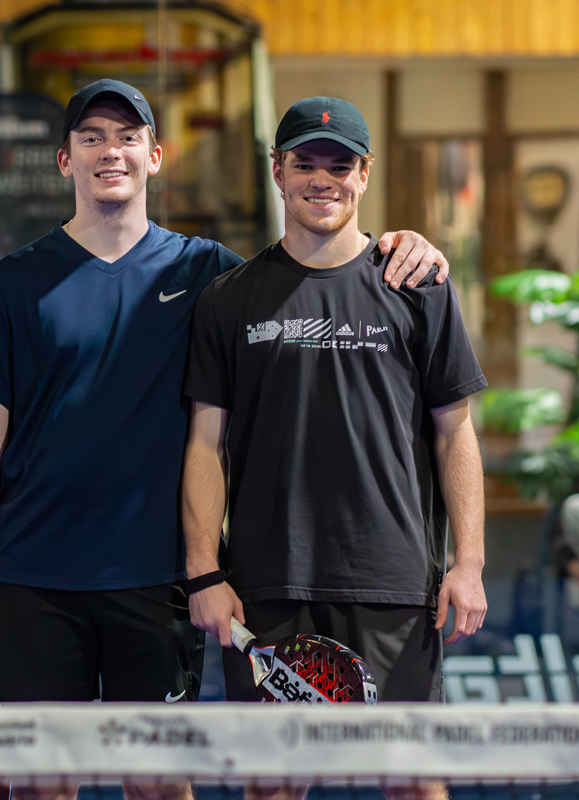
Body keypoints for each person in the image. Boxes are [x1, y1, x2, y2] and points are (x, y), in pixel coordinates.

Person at [0, 79, 449, 800]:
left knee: (158, 783)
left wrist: (405, 244)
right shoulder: (10, 284)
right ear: (64, 160)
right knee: (40, 785)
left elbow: (319, 263)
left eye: (126, 138)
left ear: (156, 156)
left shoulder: (211, 276)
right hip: (32, 578)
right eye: (91, 138)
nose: (109, 152)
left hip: (159, 581)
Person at [182, 97, 487, 800]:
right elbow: (206, 443)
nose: (324, 179)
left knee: (412, 781)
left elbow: (455, 429)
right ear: (279, 172)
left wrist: (468, 562)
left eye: (340, 165)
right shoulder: (229, 299)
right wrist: (204, 570)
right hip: (269, 584)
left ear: (365, 174)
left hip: (393, 581)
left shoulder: (418, 285)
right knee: (273, 786)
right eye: (306, 164)